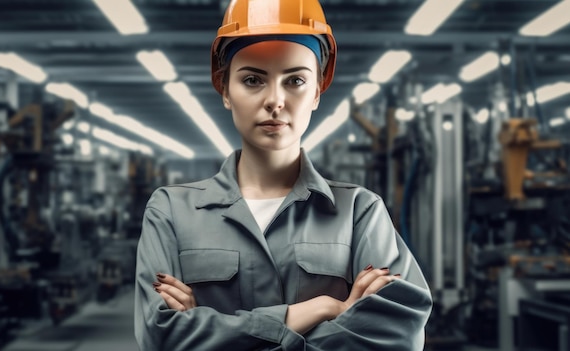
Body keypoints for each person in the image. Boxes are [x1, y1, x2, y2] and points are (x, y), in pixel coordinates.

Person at [134, 0, 432, 350]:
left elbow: (399, 337)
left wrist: (213, 333)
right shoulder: (172, 211)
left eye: (295, 80)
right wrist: (316, 310)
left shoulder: (359, 213)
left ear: (318, 91)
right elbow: (160, 336)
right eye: (252, 79)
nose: (275, 100)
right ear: (225, 88)